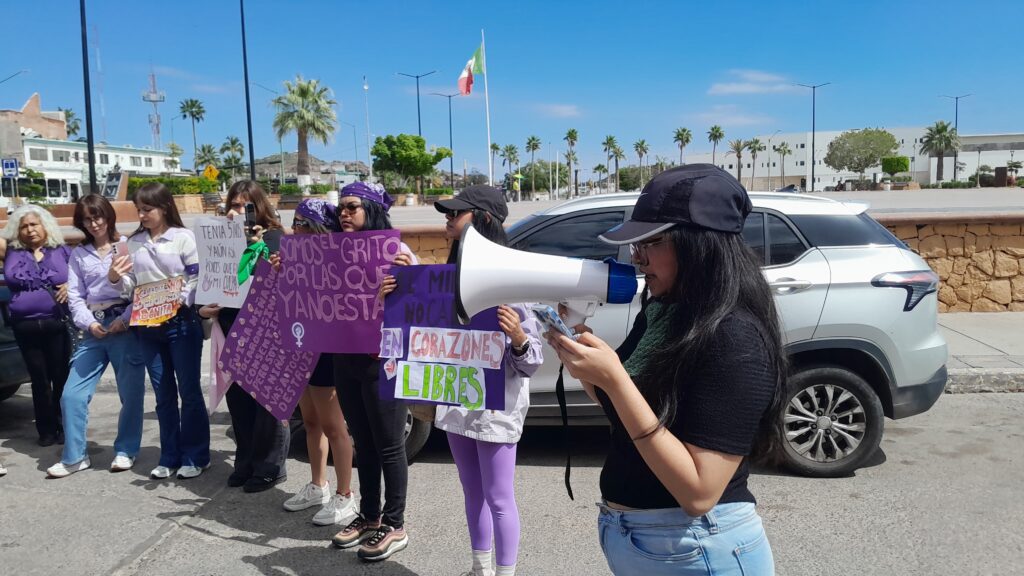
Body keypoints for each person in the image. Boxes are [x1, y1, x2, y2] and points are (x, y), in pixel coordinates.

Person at [545, 164, 784, 575]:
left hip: (699, 548)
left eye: (650, 243)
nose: (636, 258)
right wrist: (578, 344)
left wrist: (615, 380)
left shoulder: (735, 337)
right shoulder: (662, 310)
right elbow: (627, 405)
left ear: (700, 246)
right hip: (646, 541)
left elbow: (699, 492)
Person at [380, 184, 544, 576]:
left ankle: (505, 572)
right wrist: (397, 293)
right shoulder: (443, 278)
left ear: (483, 219)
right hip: (456, 404)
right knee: (472, 492)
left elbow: (532, 361)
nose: (448, 219)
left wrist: (518, 338)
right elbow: (420, 339)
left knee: (499, 497)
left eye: (457, 213)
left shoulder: (512, 280)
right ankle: (479, 567)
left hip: (496, 408)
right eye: (448, 213)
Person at [328, 182, 417, 562]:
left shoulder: (398, 253)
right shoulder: (330, 253)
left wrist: (409, 280)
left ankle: (394, 524)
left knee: (390, 444)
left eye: (351, 207)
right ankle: (369, 515)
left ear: (371, 210)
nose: (343, 214)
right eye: (340, 209)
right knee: (363, 441)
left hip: (384, 359)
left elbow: (423, 303)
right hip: (345, 357)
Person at [109, 182, 209, 480]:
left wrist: (178, 300)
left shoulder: (183, 237)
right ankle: (169, 455)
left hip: (180, 323)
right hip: (147, 326)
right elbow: (131, 286)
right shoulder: (133, 242)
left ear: (164, 207)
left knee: (189, 391)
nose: (142, 215)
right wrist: (116, 278)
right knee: (163, 393)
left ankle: (196, 455)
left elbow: (195, 276)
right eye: (138, 210)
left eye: (147, 209)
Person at [198, 181, 290, 492]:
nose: (239, 212)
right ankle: (246, 461)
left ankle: (271, 466)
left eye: (245, 206)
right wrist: (204, 309)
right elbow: (209, 282)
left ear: (259, 207)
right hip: (230, 327)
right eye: (234, 206)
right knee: (238, 403)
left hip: (265, 333)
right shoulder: (219, 242)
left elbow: (283, 285)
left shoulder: (275, 238)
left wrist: (261, 248)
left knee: (266, 403)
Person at [47, 194, 146, 477]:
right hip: (93, 329)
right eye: (87, 219)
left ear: (109, 215)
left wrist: (126, 320)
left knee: (131, 394)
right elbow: (75, 296)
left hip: (124, 326)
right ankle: (75, 456)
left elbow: (142, 289)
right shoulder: (79, 253)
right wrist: (88, 324)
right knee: (72, 395)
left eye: (98, 216)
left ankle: (126, 450)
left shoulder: (128, 245)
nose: (94, 223)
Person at [275, 198, 357, 525]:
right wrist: (281, 271)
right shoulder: (294, 259)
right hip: (300, 347)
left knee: (334, 426)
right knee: (310, 422)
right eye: (293, 222)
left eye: (301, 224)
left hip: (326, 352)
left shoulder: (337, 260)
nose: (294, 229)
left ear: (318, 229)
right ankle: (318, 484)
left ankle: (346, 495)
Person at [0, 205, 72, 447]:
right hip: (25, 326)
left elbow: (84, 277)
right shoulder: (11, 251)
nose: (30, 230)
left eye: (34, 224)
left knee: (60, 377)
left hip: (57, 323)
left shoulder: (61, 250)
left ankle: (64, 427)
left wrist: (70, 286)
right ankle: (46, 430)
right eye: (24, 226)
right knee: (39, 380)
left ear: (45, 226)